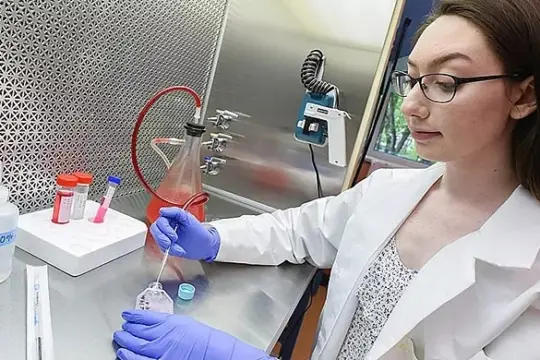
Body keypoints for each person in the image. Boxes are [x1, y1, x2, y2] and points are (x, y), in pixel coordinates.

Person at [113, 0, 540, 358]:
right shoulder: (390, 192)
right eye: (411, 80)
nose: (411, 105)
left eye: (443, 82)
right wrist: (214, 239)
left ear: (523, 95)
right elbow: (299, 230)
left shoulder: (530, 271)